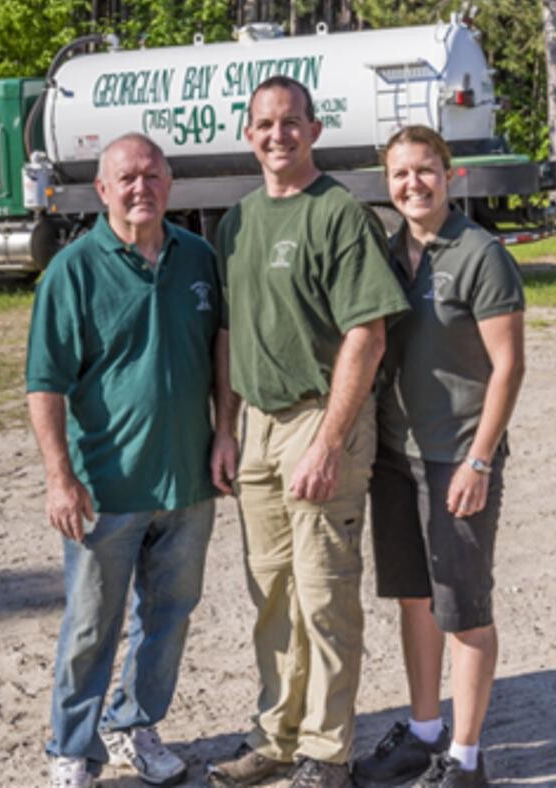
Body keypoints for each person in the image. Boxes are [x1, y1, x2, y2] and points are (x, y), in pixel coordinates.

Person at [207, 77, 409, 788]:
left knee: (324, 596)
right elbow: (229, 330)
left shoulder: (340, 216)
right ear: (249, 131)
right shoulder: (237, 222)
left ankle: (328, 752)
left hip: (320, 422)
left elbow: (368, 335)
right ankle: (276, 736)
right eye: (265, 123)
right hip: (256, 428)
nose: (277, 135)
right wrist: (225, 429)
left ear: (314, 131)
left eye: (291, 122)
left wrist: (328, 442)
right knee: (272, 596)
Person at [26, 134, 220, 788]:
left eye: (152, 175)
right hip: (106, 489)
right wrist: (60, 477)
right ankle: (72, 747)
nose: (141, 188)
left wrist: (226, 434)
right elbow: (44, 384)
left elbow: (221, 354)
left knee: (167, 617)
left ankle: (134, 724)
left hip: (188, 482)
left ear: (171, 183)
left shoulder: (198, 259)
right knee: (91, 626)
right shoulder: (74, 271)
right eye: (126, 178)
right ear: (102, 190)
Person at [353, 126, 525, 788]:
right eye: (400, 174)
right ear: (388, 183)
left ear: (448, 176)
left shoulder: (480, 254)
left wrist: (480, 462)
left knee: (464, 607)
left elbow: (508, 365)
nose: (412, 184)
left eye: (425, 170)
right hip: (398, 455)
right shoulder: (389, 252)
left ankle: (466, 759)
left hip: (457, 456)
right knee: (415, 600)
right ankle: (425, 735)